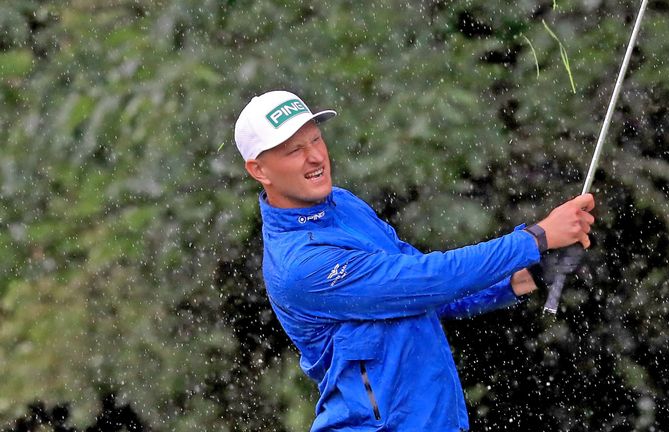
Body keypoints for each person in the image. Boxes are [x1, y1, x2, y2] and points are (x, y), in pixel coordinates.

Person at [234, 90, 595, 431]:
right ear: (260, 171)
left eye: (315, 139)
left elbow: (426, 295)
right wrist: (537, 237)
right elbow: (425, 280)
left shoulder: (342, 204)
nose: (315, 156)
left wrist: (527, 273)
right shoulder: (301, 265)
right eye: (294, 150)